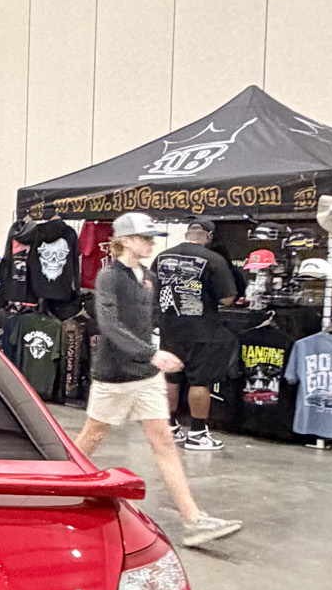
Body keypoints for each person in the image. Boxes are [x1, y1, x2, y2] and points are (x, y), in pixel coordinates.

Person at [74, 213, 241, 549]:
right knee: (92, 437)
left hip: (146, 375)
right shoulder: (109, 276)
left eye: (152, 238)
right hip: (114, 375)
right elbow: (109, 324)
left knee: (163, 441)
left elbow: (150, 318)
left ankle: (193, 519)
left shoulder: (149, 277)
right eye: (144, 238)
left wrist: (153, 352)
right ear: (124, 240)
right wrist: (151, 353)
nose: (151, 244)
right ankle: (52, 487)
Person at [152, 219, 238, 451]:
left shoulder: (162, 257)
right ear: (208, 235)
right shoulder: (213, 259)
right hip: (201, 330)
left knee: (171, 378)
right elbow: (226, 298)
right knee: (199, 381)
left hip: (169, 327)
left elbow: (152, 290)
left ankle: (170, 428)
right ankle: (197, 433)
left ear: (187, 233)